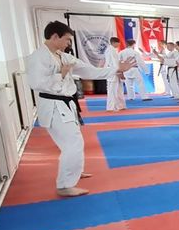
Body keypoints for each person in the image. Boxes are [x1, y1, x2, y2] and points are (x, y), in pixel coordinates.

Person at [27, 21, 133, 197]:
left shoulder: (62, 56)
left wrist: (116, 69)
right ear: (55, 36)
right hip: (54, 106)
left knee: (71, 141)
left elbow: (88, 71)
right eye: (67, 39)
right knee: (73, 143)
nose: (69, 43)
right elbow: (36, 83)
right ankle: (65, 185)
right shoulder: (38, 57)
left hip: (66, 105)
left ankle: (74, 170)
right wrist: (60, 74)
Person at [104, 37, 126, 111]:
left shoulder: (112, 50)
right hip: (113, 72)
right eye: (118, 43)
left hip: (115, 71)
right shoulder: (111, 50)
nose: (119, 44)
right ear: (114, 42)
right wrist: (119, 72)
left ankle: (120, 106)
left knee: (119, 90)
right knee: (112, 90)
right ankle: (111, 107)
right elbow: (114, 63)